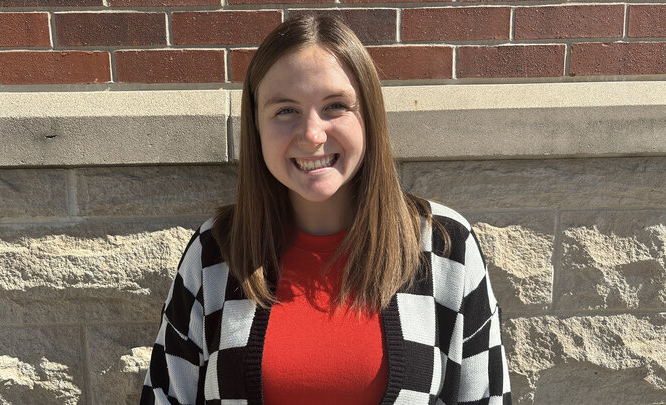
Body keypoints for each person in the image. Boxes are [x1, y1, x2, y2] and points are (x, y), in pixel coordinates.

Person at [140, 15, 511, 405]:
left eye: (335, 106)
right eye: (285, 110)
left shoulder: (442, 247)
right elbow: (164, 396)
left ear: (368, 116)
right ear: (256, 126)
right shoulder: (218, 253)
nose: (312, 135)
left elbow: (484, 397)